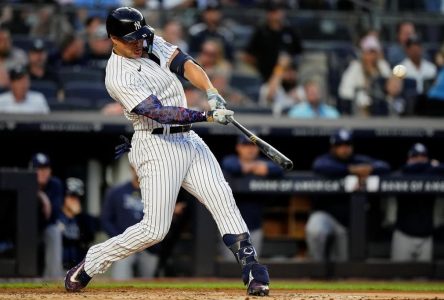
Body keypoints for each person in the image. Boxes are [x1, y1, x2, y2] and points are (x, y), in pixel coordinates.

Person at [64, 7, 269, 297]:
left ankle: (253, 271)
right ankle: (92, 262)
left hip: (189, 140)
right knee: (154, 230)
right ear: (113, 39)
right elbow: (157, 113)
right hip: (156, 145)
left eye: (141, 36)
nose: (139, 43)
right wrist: (207, 117)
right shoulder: (117, 75)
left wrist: (211, 90)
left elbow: (185, 63)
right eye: (131, 39)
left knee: (222, 198)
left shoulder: (150, 43)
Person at [306, 129, 390, 262]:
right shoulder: (326, 160)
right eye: (340, 145)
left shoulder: (359, 160)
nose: (344, 149)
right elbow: (319, 166)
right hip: (327, 214)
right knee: (316, 230)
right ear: (333, 147)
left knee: (344, 263)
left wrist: (370, 169)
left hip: (349, 222)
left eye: (347, 145)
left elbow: (384, 166)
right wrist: (351, 171)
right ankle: (316, 267)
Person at [221, 135, 284, 260]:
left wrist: (266, 169)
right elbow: (232, 166)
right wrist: (252, 167)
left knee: (253, 266)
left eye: (253, 146)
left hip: (255, 226)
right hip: (231, 226)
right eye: (246, 145)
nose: (250, 149)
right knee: (230, 267)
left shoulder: (264, 163)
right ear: (238, 147)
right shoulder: (231, 160)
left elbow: (280, 168)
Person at [101, 167, 161, 279]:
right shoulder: (117, 192)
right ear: (131, 169)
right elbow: (105, 220)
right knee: (120, 281)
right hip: (125, 246)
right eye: (137, 167)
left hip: (149, 247)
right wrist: (121, 239)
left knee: (149, 286)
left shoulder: (156, 193)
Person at [391, 143, 444, 262]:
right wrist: (430, 166)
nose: (419, 160)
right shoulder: (402, 174)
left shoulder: (433, 175)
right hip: (403, 234)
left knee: (424, 279)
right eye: (416, 157)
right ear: (409, 159)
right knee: (398, 278)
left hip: (426, 236)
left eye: (423, 156)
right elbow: (401, 170)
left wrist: (436, 166)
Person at [242, 4, 303, 81]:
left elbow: (299, 53)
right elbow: (248, 55)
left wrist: (293, 68)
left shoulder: (290, 31)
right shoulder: (260, 32)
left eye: (277, 12)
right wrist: (260, 66)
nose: (275, 15)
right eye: (272, 12)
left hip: (287, 75)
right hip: (265, 75)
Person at [338, 34, 391, 116]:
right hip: (358, 108)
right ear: (363, 53)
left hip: (381, 106)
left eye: (373, 52)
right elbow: (344, 91)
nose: (371, 56)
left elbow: (390, 88)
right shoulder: (355, 67)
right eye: (368, 52)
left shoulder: (383, 66)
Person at [30, 153, 64, 278]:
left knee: (54, 230)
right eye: (39, 169)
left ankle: (53, 280)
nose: (42, 172)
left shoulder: (55, 184)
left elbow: (53, 214)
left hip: (45, 227)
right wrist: (40, 195)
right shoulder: (23, 182)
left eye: (45, 169)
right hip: (26, 231)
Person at [58, 177, 99, 270]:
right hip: (58, 265)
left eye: (77, 197)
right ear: (64, 197)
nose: (75, 200)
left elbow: (89, 238)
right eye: (72, 196)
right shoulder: (56, 217)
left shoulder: (83, 219)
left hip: (77, 267)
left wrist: (80, 217)